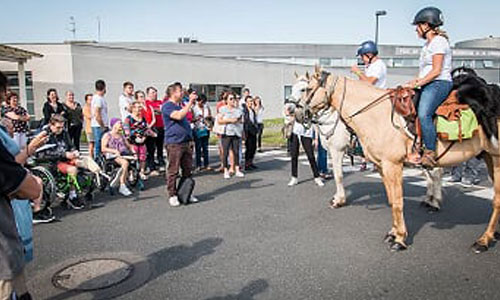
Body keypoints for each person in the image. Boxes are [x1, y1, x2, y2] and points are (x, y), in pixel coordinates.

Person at [407, 6, 453, 167]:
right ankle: (414, 144)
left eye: (417, 26)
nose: (416, 30)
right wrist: (413, 82)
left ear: (426, 25)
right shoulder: (427, 45)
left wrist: (418, 83)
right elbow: (424, 71)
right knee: (407, 109)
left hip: (439, 83)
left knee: (424, 114)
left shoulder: (439, 42)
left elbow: (436, 71)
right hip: (427, 83)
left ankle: (430, 152)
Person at [351, 40, 388, 171]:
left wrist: (358, 72)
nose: (362, 59)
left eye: (362, 56)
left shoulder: (378, 65)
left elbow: (370, 82)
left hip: (377, 101)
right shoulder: (369, 67)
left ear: (369, 54)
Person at [162, 82, 199, 207]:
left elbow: (186, 119)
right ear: (173, 93)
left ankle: (185, 192)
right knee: (173, 170)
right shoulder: (167, 106)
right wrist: (190, 102)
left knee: (187, 170)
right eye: (179, 91)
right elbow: (178, 116)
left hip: (186, 141)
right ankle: (172, 195)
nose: (182, 93)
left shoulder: (180, 105)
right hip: (174, 143)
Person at [286, 104, 324, 187]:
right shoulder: (296, 107)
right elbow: (287, 111)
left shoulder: (311, 109)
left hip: (307, 134)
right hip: (295, 133)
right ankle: (294, 177)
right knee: (294, 156)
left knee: (311, 156)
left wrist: (316, 138)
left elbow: (315, 124)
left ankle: (317, 177)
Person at [101, 118, 135, 196]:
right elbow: (103, 148)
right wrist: (114, 151)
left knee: (136, 159)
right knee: (125, 163)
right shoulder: (107, 135)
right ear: (114, 125)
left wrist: (133, 150)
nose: (121, 125)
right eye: (119, 123)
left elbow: (128, 145)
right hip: (113, 155)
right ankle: (122, 185)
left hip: (123, 154)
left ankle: (128, 176)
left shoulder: (121, 135)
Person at [218, 92, 245, 179]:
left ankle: (237, 169)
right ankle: (226, 170)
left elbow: (241, 121)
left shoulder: (238, 110)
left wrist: (238, 121)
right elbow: (219, 121)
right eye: (230, 99)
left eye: (233, 98)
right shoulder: (222, 109)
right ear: (226, 101)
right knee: (225, 152)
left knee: (236, 151)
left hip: (236, 132)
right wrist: (230, 120)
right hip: (226, 133)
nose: (233, 100)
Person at [123, 101, 150, 181]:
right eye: (137, 107)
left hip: (142, 141)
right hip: (132, 142)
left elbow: (146, 129)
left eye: (140, 107)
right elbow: (126, 131)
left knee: (143, 157)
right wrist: (133, 136)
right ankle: (131, 173)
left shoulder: (143, 118)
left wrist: (144, 137)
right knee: (133, 158)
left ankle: (142, 172)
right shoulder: (128, 119)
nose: (139, 109)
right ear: (133, 108)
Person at [144, 86, 164, 175]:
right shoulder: (146, 103)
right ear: (148, 94)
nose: (154, 94)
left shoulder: (160, 102)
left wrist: (158, 110)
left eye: (155, 92)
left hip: (161, 127)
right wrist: (157, 110)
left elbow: (162, 110)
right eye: (152, 92)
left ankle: (160, 162)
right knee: (151, 148)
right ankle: (151, 166)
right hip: (151, 128)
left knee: (160, 147)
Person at [192, 93, 212, 170]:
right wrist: (196, 119)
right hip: (198, 128)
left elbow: (210, 116)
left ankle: (206, 164)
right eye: (201, 102)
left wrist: (208, 117)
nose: (202, 103)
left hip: (206, 128)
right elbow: (191, 119)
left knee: (205, 147)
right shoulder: (194, 108)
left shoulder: (206, 107)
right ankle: (198, 164)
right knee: (198, 147)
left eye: (203, 102)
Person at [91, 79, 109, 158]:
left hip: (99, 125)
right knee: (99, 144)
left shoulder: (99, 98)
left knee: (102, 143)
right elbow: (97, 113)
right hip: (98, 125)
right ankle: (98, 160)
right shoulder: (98, 99)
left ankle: (101, 159)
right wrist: (102, 125)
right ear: (104, 88)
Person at [243, 96, 258, 170]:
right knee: (248, 147)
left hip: (253, 130)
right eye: (249, 101)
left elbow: (255, 120)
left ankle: (251, 162)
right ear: (246, 102)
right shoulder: (244, 111)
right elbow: (245, 121)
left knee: (253, 147)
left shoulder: (252, 110)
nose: (250, 103)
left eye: (251, 101)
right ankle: (247, 164)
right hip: (247, 130)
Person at [82, 94, 95, 159]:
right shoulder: (85, 108)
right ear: (86, 100)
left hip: (96, 128)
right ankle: (91, 158)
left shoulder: (94, 107)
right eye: (90, 99)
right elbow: (90, 116)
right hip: (90, 129)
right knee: (91, 144)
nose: (91, 101)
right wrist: (96, 114)